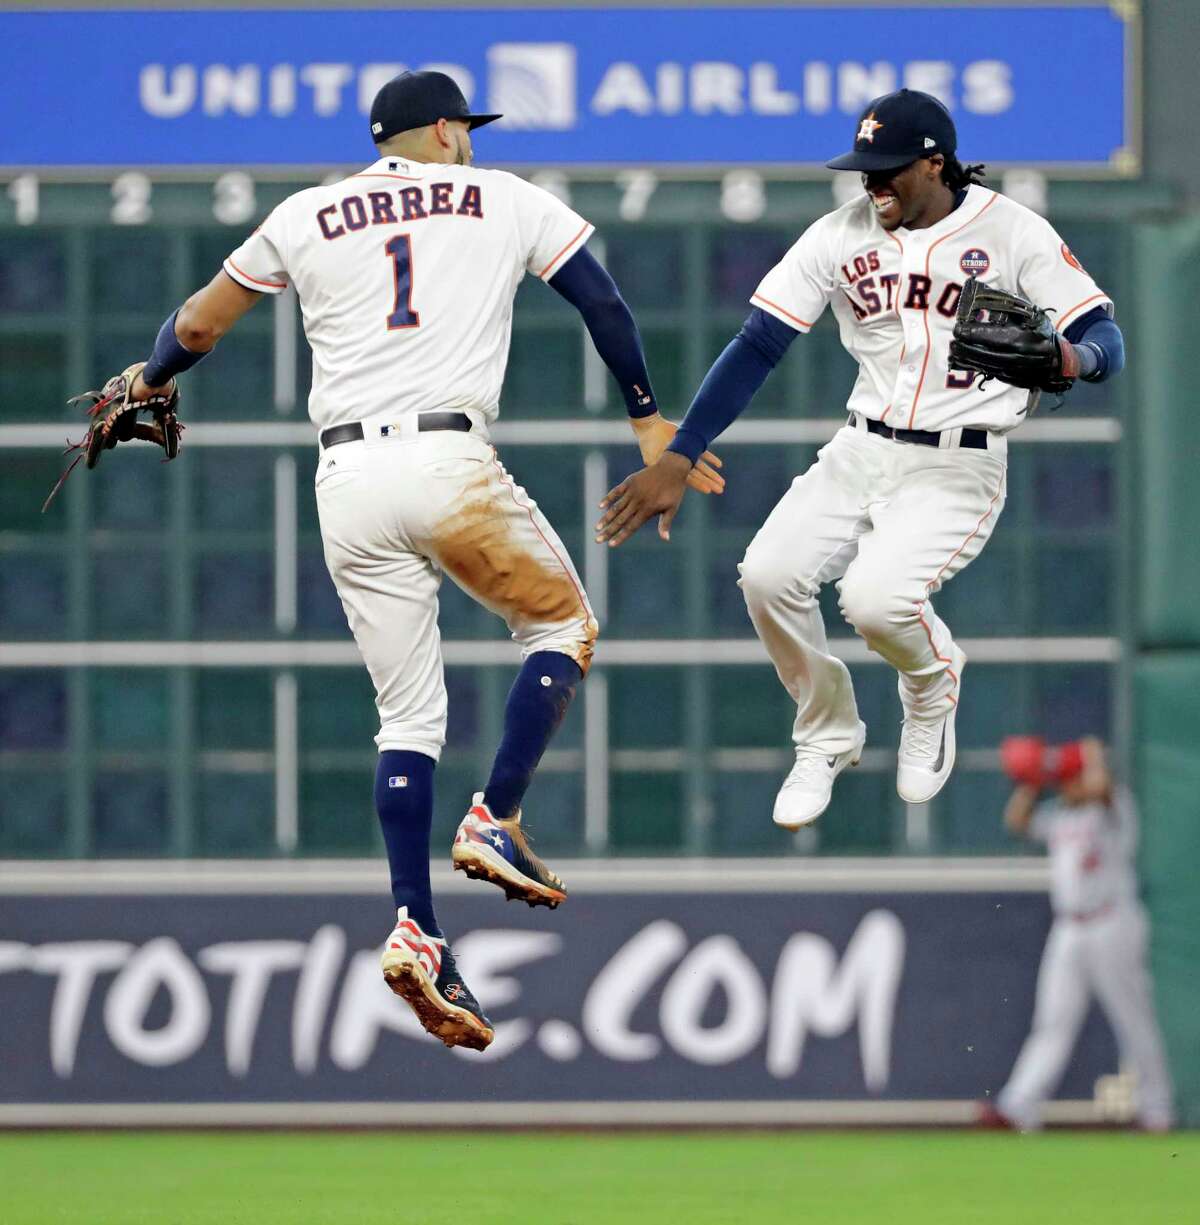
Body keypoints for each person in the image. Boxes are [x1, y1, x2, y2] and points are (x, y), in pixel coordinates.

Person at [99, 70, 723, 1051]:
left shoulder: (309, 214)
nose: (469, 140)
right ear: (441, 129)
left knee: (407, 714)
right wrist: (647, 418)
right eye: (463, 128)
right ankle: (496, 812)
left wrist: (149, 375)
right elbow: (601, 301)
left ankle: (417, 926)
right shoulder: (504, 195)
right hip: (446, 458)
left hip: (344, 478)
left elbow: (200, 321)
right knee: (561, 625)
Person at [594, 89, 1125, 830]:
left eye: (886, 171)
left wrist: (1073, 356)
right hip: (860, 445)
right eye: (862, 170)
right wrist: (681, 453)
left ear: (935, 164)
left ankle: (932, 684)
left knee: (874, 600)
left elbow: (1106, 336)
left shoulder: (1012, 232)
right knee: (768, 576)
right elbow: (759, 343)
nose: (870, 185)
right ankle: (827, 733)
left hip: (956, 464)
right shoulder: (839, 235)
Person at [980, 736, 1174, 1131]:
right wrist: (1033, 781)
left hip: (1112, 922)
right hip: (1069, 927)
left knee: (1132, 1020)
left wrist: (1090, 757)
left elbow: (1100, 787)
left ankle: (1157, 1110)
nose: (1068, 785)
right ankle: (1018, 1107)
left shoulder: (1113, 807)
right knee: (1052, 1020)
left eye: (1072, 778)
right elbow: (1016, 820)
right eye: (1064, 780)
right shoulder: (1061, 816)